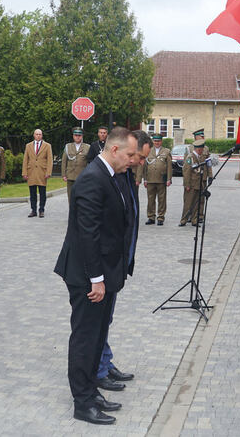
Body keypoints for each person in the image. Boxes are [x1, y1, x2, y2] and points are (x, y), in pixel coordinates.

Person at [54, 127, 138, 425]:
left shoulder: (111, 176)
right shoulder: (92, 178)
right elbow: (88, 234)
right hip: (87, 276)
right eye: (130, 154)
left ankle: (91, 391)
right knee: (86, 339)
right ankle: (82, 402)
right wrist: (97, 279)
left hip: (103, 274)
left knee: (98, 336)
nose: (133, 160)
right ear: (114, 150)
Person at [96, 130, 151, 392]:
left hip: (118, 263)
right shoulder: (109, 176)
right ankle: (98, 369)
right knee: (98, 321)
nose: (139, 162)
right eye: (138, 156)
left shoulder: (127, 174)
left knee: (107, 319)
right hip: (104, 265)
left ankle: (104, 362)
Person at [22, 129, 53, 218]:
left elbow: (50, 160)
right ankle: (33, 210)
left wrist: (48, 172)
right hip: (31, 172)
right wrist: (24, 172)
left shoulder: (47, 146)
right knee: (32, 193)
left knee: (42, 192)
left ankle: (41, 210)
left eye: (40, 134)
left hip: (42, 172)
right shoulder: (28, 146)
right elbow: (25, 160)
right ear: (34, 135)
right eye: (36, 134)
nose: (38, 136)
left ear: (42, 135)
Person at [143, 133, 172, 225]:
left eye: (158, 141)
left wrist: (169, 179)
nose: (157, 142)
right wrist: (145, 179)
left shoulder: (166, 151)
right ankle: (151, 217)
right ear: (153, 141)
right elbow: (145, 166)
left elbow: (169, 167)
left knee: (162, 199)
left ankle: (160, 217)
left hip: (161, 179)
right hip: (150, 179)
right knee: (150, 199)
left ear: (161, 141)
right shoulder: (148, 151)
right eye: (155, 141)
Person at [179, 139, 207, 227]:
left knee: (197, 204)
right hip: (191, 185)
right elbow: (186, 172)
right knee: (188, 204)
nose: (202, 151)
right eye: (201, 150)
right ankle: (183, 220)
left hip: (198, 184)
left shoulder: (199, 157)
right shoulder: (190, 158)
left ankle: (194, 220)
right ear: (198, 149)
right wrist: (187, 185)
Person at [62, 127, 91, 203]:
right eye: (76, 135)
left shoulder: (87, 147)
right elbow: (64, 161)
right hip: (70, 176)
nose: (77, 137)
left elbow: (89, 162)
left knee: (81, 196)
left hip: (82, 176)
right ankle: (72, 213)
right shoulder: (68, 146)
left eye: (79, 135)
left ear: (82, 136)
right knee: (71, 196)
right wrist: (63, 174)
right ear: (73, 136)